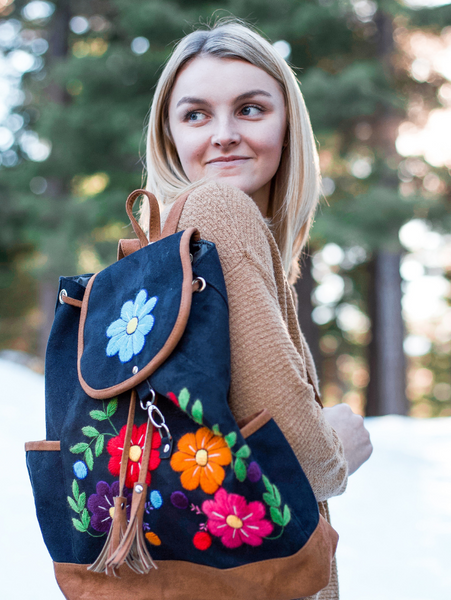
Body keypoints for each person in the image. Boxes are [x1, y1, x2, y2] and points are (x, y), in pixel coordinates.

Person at [139, 19, 373, 600]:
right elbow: (297, 451)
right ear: (170, 138)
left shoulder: (177, 249)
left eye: (250, 109)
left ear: (288, 124)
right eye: (195, 115)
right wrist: (338, 444)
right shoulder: (219, 209)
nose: (223, 134)